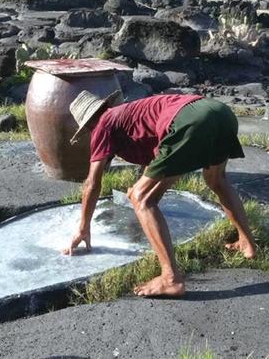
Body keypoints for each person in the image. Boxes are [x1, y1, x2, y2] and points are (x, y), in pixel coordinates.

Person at [62, 91, 256, 298]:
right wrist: (145, 188)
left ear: (90, 124)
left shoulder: (103, 125)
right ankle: (247, 243)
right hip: (220, 112)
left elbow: (92, 183)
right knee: (217, 180)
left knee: (141, 198)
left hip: (190, 121)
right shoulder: (129, 113)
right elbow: (158, 158)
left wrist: (83, 227)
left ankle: (170, 279)